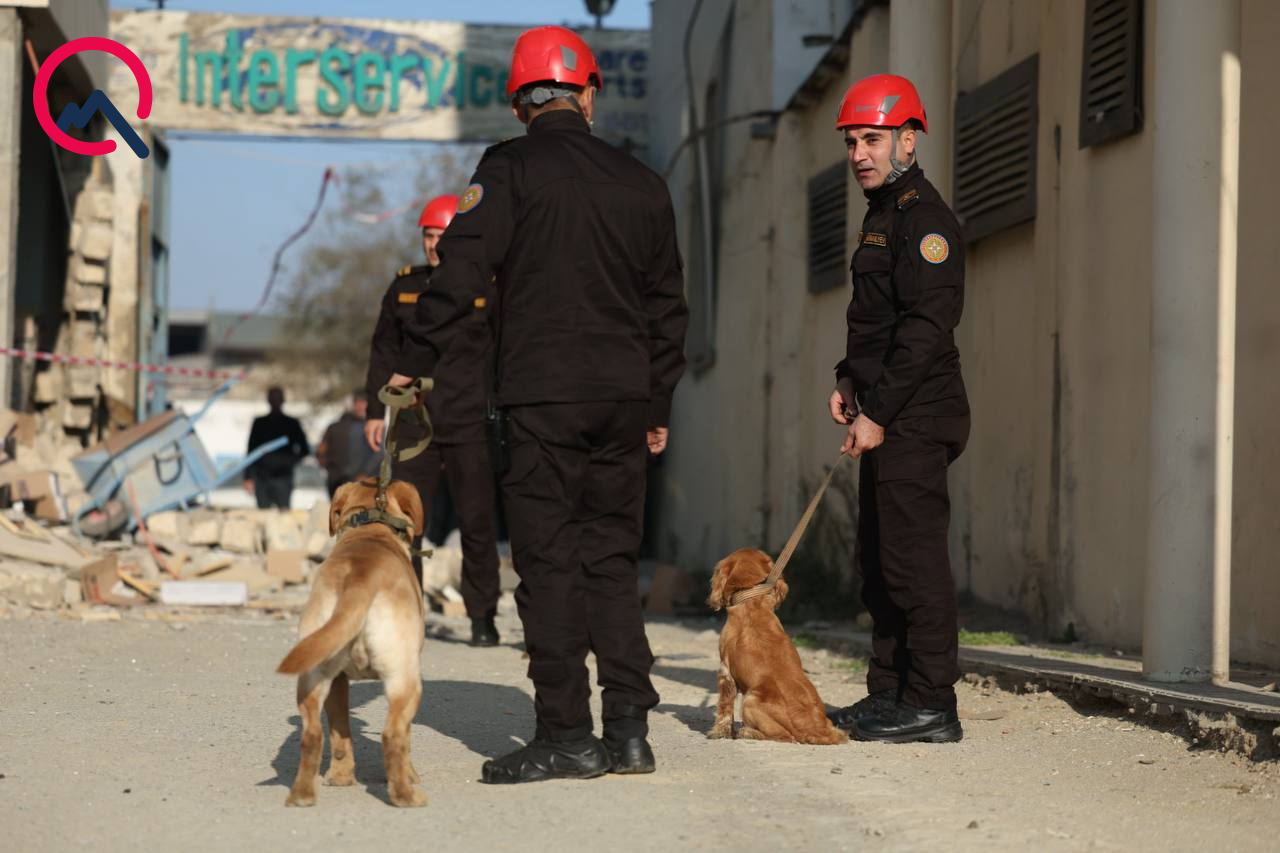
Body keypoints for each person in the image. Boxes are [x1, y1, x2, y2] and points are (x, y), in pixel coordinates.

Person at [388, 26, 688, 784]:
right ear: (587, 93)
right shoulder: (643, 182)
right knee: (613, 561)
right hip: (623, 399)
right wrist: (656, 400)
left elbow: (458, 275)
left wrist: (414, 352)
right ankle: (627, 730)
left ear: (522, 102)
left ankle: (565, 732)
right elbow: (669, 308)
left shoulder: (508, 169)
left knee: (550, 563)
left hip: (543, 397)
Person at [824, 74, 971, 744]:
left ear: (909, 139)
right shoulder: (881, 215)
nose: (859, 152)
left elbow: (924, 330)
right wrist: (847, 380)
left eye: (873, 139)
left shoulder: (927, 221)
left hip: (914, 416)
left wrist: (877, 410)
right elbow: (874, 321)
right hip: (882, 410)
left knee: (913, 562)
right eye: (853, 140)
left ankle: (932, 702)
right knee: (878, 563)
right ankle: (888, 694)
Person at [364, 193, 504, 647]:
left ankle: (483, 616)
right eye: (428, 235)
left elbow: (505, 352)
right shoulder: (405, 287)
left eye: (442, 236)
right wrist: (373, 410)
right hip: (414, 423)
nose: (434, 244)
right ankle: (410, 614)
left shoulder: (486, 287)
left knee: (477, 524)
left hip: (469, 420)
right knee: (405, 522)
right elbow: (383, 351)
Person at [245, 386, 310, 510]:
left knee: (283, 518)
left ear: (282, 400)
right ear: (268, 400)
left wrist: (288, 461)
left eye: (277, 398)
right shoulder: (259, 423)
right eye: (272, 398)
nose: (275, 401)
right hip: (262, 478)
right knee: (263, 516)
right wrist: (248, 477)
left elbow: (304, 450)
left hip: (283, 479)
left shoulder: (291, 423)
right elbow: (251, 451)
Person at [317, 389, 379, 497]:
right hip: (352, 480)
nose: (361, 406)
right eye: (358, 403)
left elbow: (321, 452)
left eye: (363, 402)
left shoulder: (334, 427)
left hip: (346, 479)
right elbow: (321, 452)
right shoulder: (370, 427)